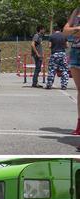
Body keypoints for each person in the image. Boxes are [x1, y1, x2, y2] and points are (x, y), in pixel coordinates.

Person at [65, 8, 80, 137]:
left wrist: (74, 30)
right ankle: (79, 124)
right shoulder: (76, 11)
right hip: (75, 52)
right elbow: (65, 31)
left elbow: (70, 31)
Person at [45, 25, 69, 90]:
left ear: (54, 30)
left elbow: (49, 46)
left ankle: (49, 85)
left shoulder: (51, 36)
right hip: (63, 54)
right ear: (60, 30)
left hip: (54, 54)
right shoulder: (64, 36)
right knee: (64, 70)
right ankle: (64, 85)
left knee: (52, 69)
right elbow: (67, 45)